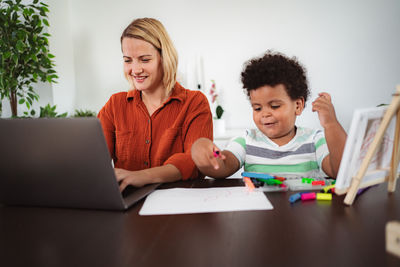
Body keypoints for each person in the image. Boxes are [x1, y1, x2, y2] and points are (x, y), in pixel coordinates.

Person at [191, 51, 347, 179]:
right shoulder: (246, 140)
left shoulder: (314, 140)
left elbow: (339, 171)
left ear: (298, 105)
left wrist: (331, 124)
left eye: (274, 106)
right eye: (257, 108)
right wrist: (203, 151)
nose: (265, 114)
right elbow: (222, 166)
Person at [98, 18, 213, 191]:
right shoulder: (115, 105)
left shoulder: (194, 103)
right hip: (127, 205)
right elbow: (94, 159)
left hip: (178, 204)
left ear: (164, 58)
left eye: (144, 60)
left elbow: (194, 161)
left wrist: (141, 176)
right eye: (128, 60)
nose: (135, 70)